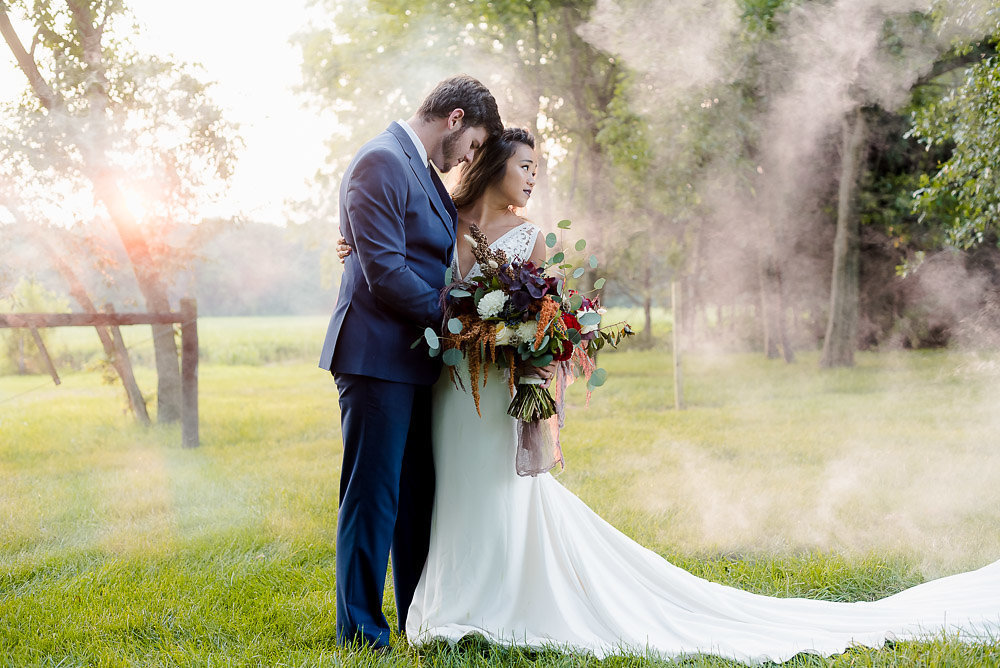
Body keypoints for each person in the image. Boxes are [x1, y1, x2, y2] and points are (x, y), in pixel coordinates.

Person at [337, 128, 1000, 663]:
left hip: (492, 386)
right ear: (492, 166)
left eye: (539, 167)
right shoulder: (446, 217)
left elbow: (549, 314)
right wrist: (355, 247)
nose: (534, 176)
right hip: (450, 386)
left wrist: (529, 342)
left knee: (496, 492)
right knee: (447, 494)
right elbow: (399, 254)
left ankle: (496, 601)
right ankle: (445, 600)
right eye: (526, 164)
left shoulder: (535, 236)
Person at [318, 74, 502, 651]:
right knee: (373, 497)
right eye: (471, 144)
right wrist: (464, 324)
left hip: (416, 358)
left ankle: (416, 620)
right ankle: (362, 634)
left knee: (416, 497)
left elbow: (430, 251)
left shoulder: (418, 168)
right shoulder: (380, 159)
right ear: (453, 118)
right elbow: (387, 274)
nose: (467, 158)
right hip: (375, 356)